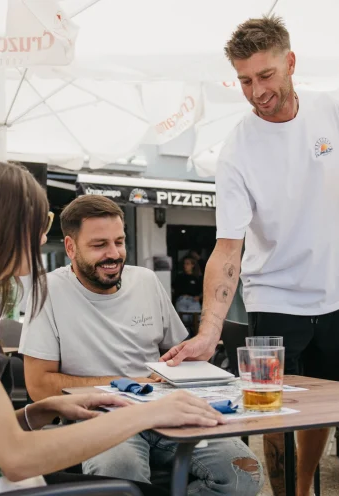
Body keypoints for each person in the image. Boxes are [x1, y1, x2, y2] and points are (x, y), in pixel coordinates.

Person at [159, 16, 339, 496]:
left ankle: (304, 487)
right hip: (274, 297)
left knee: (320, 408)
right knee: (271, 411)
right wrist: (210, 330)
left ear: (290, 63)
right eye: (244, 80)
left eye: (264, 76)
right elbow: (228, 248)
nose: (256, 90)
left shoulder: (329, 110)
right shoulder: (237, 151)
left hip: (333, 294)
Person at [0, 158, 227, 495]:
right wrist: (147, 414)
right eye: (38, 221)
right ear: (0, 226)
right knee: (129, 489)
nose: (41, 236)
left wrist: (39, 410)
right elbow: (15, 457)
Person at [20, 195, 263, 496]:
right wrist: (133, 384)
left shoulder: (146, 281)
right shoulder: (46, 291)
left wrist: (196, 355)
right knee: (122, 473)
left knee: (244, 473)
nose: (114, 254)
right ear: (70, 247)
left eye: (119, 242)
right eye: (99, 245)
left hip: (165, 411)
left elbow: (180, 355)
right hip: (98, 419)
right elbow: (39, 386)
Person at [174, 255, 203, 328]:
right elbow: (173, 288)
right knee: (183, 323)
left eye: (187, 264)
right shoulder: (179, 277)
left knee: (196, 321)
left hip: (193, 300)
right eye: (184, 264)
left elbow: (204, 291)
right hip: (181, 300)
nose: (185, 266)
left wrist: (199, 297)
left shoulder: (198, 277)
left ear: (192, 265)